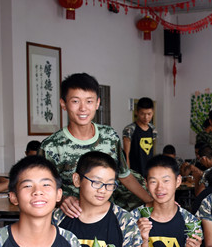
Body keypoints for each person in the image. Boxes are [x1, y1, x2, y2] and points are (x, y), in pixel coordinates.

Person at [39, 73, 151, 216]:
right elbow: (41, 188)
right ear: (63, 104)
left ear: (97, 103)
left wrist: (151, 200)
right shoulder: (51, 147)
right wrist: (62, 200)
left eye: (89, 101)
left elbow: (124, 175)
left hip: (106, 216)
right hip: (71, 219)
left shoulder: (109, 136)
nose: (83, 108)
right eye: (75, 101)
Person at [134, 155, 202, 247]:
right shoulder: (134, 218)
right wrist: (143, 241)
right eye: (153, 181)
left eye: (166, 181)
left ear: (178, 181)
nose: (159, 188)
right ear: (146, 183)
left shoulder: (190, 222)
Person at [122, 97, 157, 178]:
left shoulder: (153, 129)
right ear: (136, 112)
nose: (146, 117)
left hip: (148, 172)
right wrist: (128, 174)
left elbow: (152, 152)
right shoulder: (130, 129)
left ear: (153, 112)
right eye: (142, 114)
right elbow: (126, 154)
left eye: (149, 114)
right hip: (135, 172)